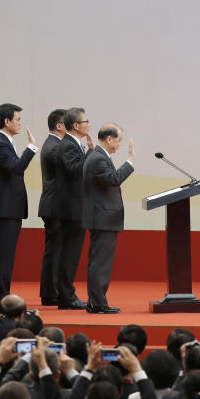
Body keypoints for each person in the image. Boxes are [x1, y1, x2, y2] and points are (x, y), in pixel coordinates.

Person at [0, 103, 37, 310]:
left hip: (8, 208)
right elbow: (17, 167)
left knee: (6, 257)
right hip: (4, 209)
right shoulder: (0, 144)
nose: (19, 123)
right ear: (6, 121)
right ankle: (1, 302)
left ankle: (3, 300)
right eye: (17, 119)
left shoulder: (5, 142)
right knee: (3, 258)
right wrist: (31, 148)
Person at [81, 123, 134, 314]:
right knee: (100, 263)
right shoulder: (98, 158)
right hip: (102, 218)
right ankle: (98, 303)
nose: (120, 144)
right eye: (118, 140)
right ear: (109, 139)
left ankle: (95, 301)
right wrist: (130, 162)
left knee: (99, 261)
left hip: (103, 218)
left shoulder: (98, 155)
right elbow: (113, 179)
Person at [53, 107, 93, 310]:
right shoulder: (68, 145)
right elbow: (76, 170)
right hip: (71, 208)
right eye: (86, 122)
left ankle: (66, 294)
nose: (89, 125)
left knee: (71, 252)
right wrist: (91, 153)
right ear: (76, 126)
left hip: (74, 206)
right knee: (70, 253)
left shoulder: (72, 143)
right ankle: (66, 296)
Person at [37, 108, 67, 307]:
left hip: (55, 205)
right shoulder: (55, 147)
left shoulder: (54, 144)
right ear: (59, 125)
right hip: (55, 206)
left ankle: (51, 292)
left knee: (55, 250)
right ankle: (51, 293)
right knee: (54, 251)